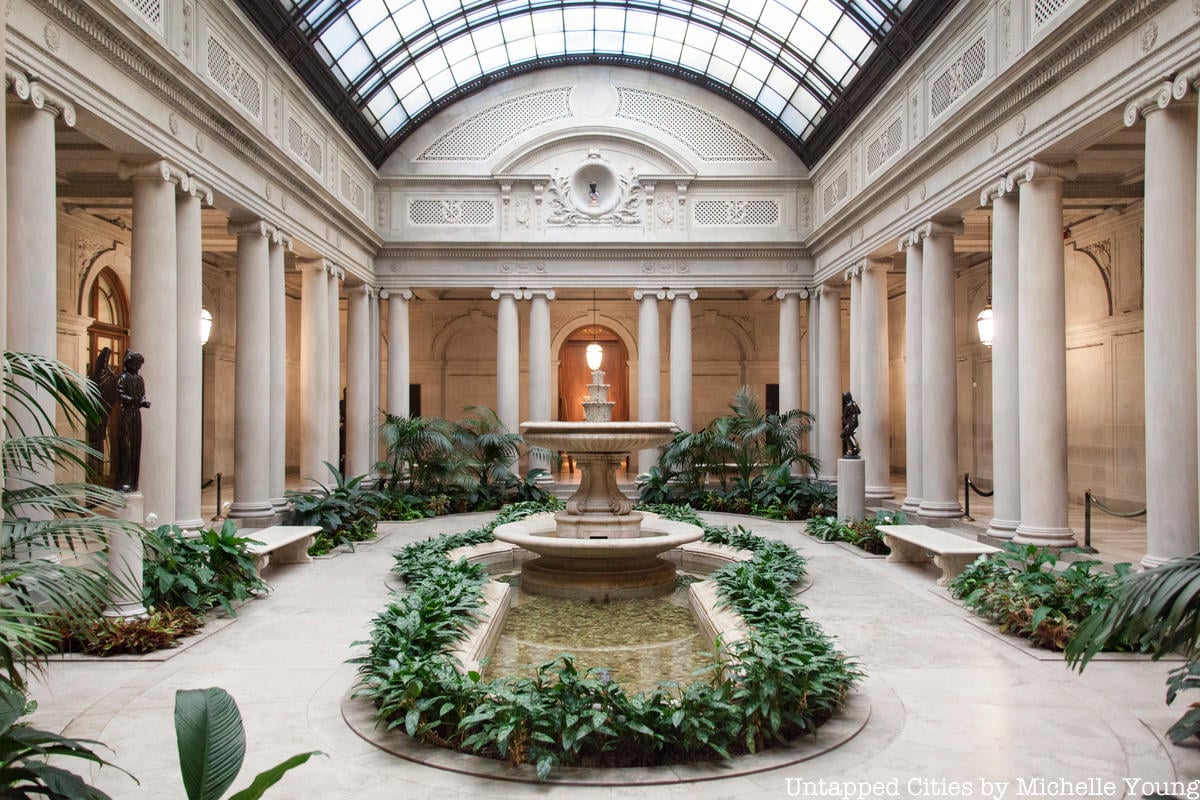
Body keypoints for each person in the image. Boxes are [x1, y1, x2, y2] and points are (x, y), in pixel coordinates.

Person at [113, 351, 150, 492]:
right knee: (126, 447)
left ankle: (133, 481)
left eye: (139, 364)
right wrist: (134, 400)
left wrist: (143, 402)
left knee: (135, 447)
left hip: (135, 415)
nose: (138, 366)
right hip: (126, 414)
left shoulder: (139, 379)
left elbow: (142, 395)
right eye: (136, 363)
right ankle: (124, 480)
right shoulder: (123, 377)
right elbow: (119, 394)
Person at [86, 347, 118, 480]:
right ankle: (94, 474)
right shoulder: (104, 376)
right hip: (97, 414)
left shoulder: (108, 377)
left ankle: (98, 474)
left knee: (98, 442)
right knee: (95, 442)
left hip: (102, 413)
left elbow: (111, 394)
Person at [841, 391, 860, 459]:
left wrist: (846, 420)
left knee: (844, 435)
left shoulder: (848, 405)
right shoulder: (854, 403)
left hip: (851, 422)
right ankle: (853, 448)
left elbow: (844, 416)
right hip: (855, 422)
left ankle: (853, 449)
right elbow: (859, 411)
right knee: (844, 435)